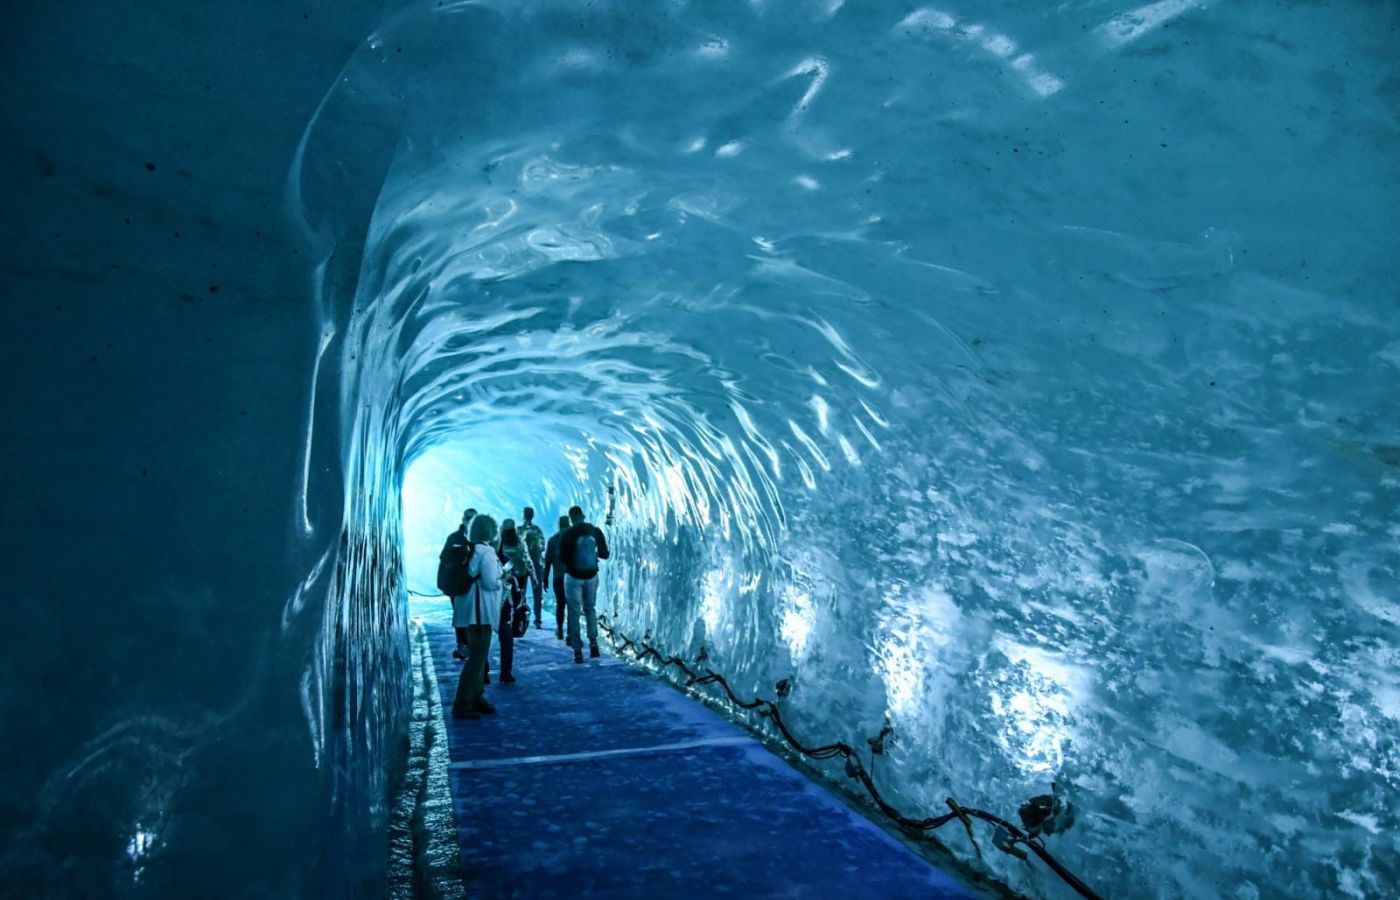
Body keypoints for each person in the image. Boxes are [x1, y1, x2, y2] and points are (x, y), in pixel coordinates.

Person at [450, 514, 499, 720]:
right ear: (490, 531)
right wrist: (502, 578)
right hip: (480, 613)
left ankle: (477, 697)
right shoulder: (486, 552)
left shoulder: (470, 549)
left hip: (468, 609)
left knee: (478, 658)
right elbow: (489, 582)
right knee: (476, 659)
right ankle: (462, 703)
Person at [560, 505, 610, 664]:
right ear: (583, 515)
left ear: (571, 519)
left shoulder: (568, 534)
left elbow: (562, 558)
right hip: (591, 577)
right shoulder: (595, 531)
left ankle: (577, 651)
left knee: (574, 612)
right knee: (590, 609)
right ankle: (593, 642)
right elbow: (605, 554)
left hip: (574, 577)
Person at [494, 518, 534, 684]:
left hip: (484, 606)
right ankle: (505, 672)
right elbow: (514, 577)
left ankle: (484, 672)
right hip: (501, 604)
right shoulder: (503, 558)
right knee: (506, 637)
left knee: (484, 640)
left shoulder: (479, 555)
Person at [438, 508, 477, 661]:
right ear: (463, 519)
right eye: (468, 518)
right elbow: (445, 559)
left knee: (468, 616)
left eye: (474, 518)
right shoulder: (455, 538)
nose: (470, 521)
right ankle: (463, 646)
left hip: (468, 584)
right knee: (461, 616)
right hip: (457, 583)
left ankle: (467, 646)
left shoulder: (472, 539)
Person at [541, 515, 570, 640]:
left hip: (558, 577)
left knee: (560, 604)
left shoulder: (552, 540)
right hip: (572, 577)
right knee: (572, 605)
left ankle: (559, 629)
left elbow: (547, 561)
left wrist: (545, 577)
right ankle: (570, 631)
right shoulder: (573, 538)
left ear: (559, 525)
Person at [519, 507, 547, 629]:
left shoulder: (519, 530)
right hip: (536, 564)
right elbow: (543, 546)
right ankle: (538, 620)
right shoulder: (537, 530)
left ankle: (521, 617)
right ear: (532, 516)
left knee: (521, 592)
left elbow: (516, 546)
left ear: (523, 515)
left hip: (522, 564)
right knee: (537, 593)